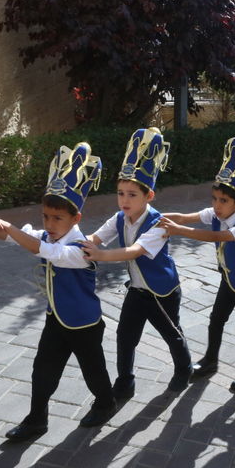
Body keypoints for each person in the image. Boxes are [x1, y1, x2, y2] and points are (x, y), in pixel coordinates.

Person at [0, 143, 117, 441]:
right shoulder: (49, 235)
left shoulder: (81, 249)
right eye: (46, 216)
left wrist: (9, 226)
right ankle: (37, 420)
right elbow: (17, 237)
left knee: (92, 369)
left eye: (57, 218)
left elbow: (43, 249)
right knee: (43, 371)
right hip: (56, 320)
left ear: (76, 219)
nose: (49, 224)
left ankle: (106, 402)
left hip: (84, 324)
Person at [81, 128, 193, 399]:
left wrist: (98, 255)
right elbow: (94, 236)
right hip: (137, 290)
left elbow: (133, 251)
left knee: (172, 334)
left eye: (132, 194)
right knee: (125, 336)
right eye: (121, 193)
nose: (125, 200)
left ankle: (184, 369)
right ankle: (126, 380)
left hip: (161, 292)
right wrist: (73, 244)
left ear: (149, 196)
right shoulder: (119, 217)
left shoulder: (160, 224)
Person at [159, 134, 235, 392]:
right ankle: (210, 360)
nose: (217, 206)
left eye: (223, 201)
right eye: (215, 199)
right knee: (216, 319)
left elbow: (214, 236)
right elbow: (186, 217)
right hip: (229, 279)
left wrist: (177, 230)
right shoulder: (219, 213)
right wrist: (152, 215)